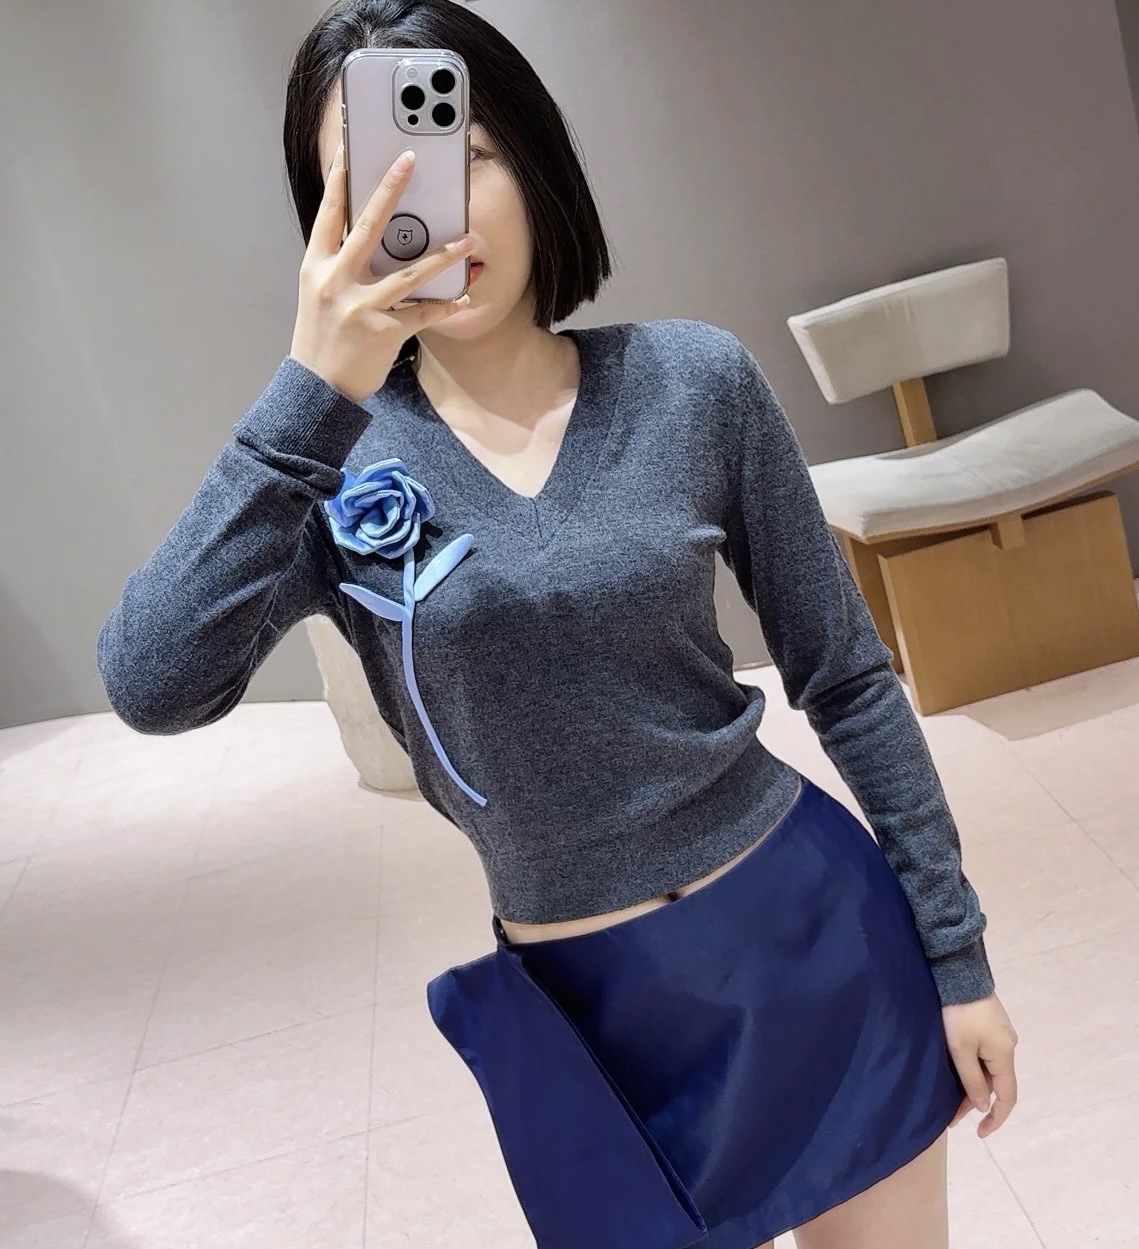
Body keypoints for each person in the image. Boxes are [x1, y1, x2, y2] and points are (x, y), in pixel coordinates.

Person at [97, 2, 1018, 1246]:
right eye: (374, 176)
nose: (430, 205)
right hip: (593, 1016)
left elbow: (846, 679)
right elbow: (153, 681)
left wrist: (958, 957)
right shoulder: (326, 457)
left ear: (534, 163)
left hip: (812, 935)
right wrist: (310, 392)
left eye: (465, 153)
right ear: (325, 220)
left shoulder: (693, 382)